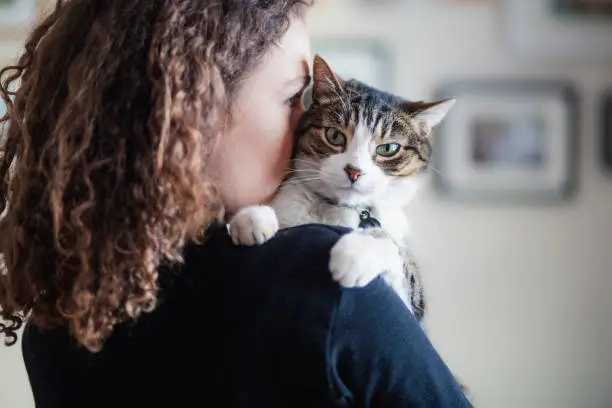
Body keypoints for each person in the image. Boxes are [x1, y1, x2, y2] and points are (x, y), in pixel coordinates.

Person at [0, 1, 473, 407]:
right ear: (193, 116)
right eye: (293, 98)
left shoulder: (57, 321)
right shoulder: (333, 284)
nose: (305, 120)